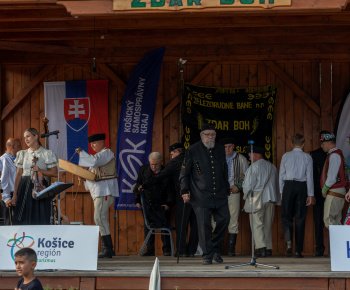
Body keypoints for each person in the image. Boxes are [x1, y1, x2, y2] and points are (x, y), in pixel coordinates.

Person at [179, 123, 230, 265]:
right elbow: (184, 173)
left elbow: (223, 169)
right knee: (204, 225)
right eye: (207, 134)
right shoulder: (192, 150)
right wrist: (184, 190)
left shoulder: (220, 148)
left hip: (219, 194)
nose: (210, 137)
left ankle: (213, 248)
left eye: (213, 134)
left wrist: (226, 189)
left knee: (225, 219)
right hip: (200, 194)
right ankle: (207, 255)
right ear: (201, 135)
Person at [142, 143, 198, 257]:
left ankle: (182, 251)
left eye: (172, 154)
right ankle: (191, 251)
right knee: (195, 224)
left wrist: (145, 185)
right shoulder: (195, 158)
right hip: (198, 197)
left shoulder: (174, 162)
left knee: (181, 223)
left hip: (183, 196)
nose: (171, 156)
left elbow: (161, 175)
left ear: (177, 152)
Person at [76, 133, 119, 258]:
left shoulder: (106, 153)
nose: (92, 146)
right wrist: (84, 178)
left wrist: (82, 153)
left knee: (99, 217)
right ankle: (108, 248)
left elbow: (94, 162)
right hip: (100, 192)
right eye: (91, 144)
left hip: (105, 191)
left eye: (94, 143)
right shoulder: (98, 157)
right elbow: (92, 177)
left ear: (101, 142)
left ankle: (108, 248)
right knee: (101, 218)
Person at [12, 128, 58, 225]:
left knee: (40, 216)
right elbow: (19, 174)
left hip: (40, 188)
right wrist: (15, 193)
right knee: (23, 216)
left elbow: (54, 173)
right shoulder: (22, 154)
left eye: (28, 136)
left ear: (36, 136)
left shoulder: (46, 153)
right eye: (24, 138)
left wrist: (40, 170)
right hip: (24, 187)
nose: (26, 139)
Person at [279, 134, 315, 258]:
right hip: (301, 187)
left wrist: (281, 191)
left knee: (286, 216)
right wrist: (310, 194)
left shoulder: (286, 156)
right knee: (300, 218)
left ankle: (289, 243)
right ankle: (298, 250)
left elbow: (281, 175)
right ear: (303, 144)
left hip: (288, 186)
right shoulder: (307, 157)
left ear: (291, 144)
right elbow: (309, 177)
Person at [134, 152, 175, 257]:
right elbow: (138, 184)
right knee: (148, 226)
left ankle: (167, 250)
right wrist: (137, 200)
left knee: (164, 224)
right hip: (147, 204)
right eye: (152, 164)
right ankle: (150, 250)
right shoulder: (143, 169)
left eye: (156, 164)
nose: (153, 166)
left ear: (161, 162)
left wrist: (168, 204)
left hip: (162, 204)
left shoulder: (166, 171)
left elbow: (171, 190)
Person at [242, 145, 280, 257]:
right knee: (267, 224)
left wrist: (245, 196)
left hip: (257, 199)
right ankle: (268, 249)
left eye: (249, 156)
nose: (249, 158)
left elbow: (248, 185)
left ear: (254, 154)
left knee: (257, 224)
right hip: (271, 199)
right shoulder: (272, 167)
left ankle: (261, 248)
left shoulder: (253, 167)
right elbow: (277, 185)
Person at [215, 137, 248, 256]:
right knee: (216, 220)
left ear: (233, 146)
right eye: (225, 147)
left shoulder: (241, 159)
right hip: (219, 193)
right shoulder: (217, 157)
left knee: (233, 220)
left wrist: (238, 186)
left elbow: (246, 177)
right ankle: (217, 249)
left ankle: (231, 250)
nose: (227, 149)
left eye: (229, 146)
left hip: (233, 192)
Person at [320, 132, 350, 231]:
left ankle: (337, 244)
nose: (322, 146)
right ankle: (340, 245)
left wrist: (324, 190)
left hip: (334, 191)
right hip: (339, 191)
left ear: (329, 143)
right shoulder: (337, 155)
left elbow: (332, 177)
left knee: (329, 220)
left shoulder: (334, 156)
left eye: (323, 143)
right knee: (336, 221)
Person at [310, 130, 328, 257]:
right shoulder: (315, 154)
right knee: (320, 222)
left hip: (320, 191)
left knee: (322, 221)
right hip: (321, 192)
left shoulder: (332, 154)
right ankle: (320, 248)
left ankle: (320, 249)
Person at [0, 138, 21, 225]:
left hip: (19, 194)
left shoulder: (19, 159)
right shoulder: (2, 160)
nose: (21, 148)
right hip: (9, 195)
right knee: (10, 224)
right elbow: (2, 180)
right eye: (19, 146)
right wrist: (6, 197)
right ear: (12, 146)